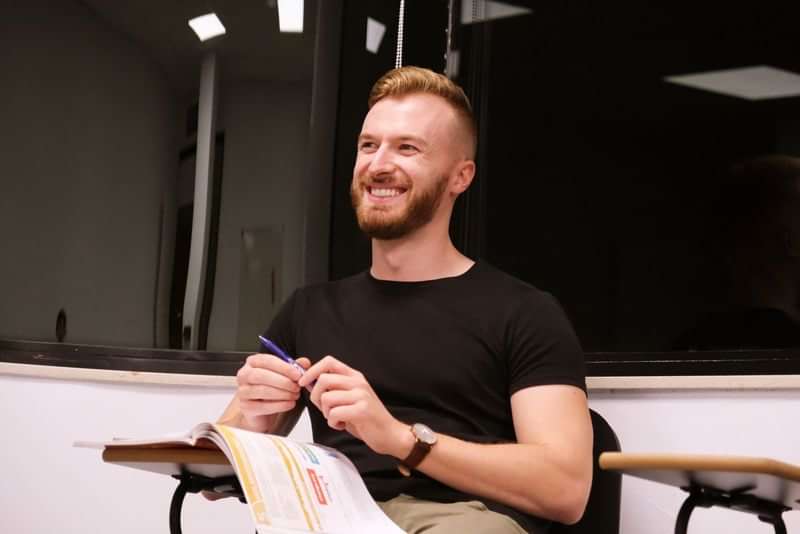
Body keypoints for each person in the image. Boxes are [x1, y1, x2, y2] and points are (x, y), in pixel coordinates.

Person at [218, 66, 593, 533]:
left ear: (461, 176)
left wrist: (398, 438)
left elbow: (565, 490)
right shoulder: (308, 309)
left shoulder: (525, 312)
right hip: (334, 515)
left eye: (407, 148)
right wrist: (251, 415)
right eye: (368, 145)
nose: (378, 164)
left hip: (462, 520)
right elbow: (213, 479)